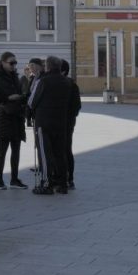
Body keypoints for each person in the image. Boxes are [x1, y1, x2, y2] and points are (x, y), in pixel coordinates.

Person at [28, 57, 77, 195]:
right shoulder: (67, 82)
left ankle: (46, 184)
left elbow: (31, 102)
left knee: (45, 153)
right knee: (60, 153)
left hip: (43, 122)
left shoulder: (43, 81)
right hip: (61, 122)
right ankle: (63, 183)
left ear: (47, 67)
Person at [0, 52, 27, 190]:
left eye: (15, 63)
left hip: (16, 115)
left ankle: (14, 179)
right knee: (3, 149)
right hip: (3, 115)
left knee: (16, 149)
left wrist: (22, 98)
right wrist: (7, 98)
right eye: (11, 63)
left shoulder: (14, 76)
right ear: (3, 63)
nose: (14, 65)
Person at [60, 58, 80, 189]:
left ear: (63, 71)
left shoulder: (68, 85)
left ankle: (67, 178)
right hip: (68, 122)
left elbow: (76, 106)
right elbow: (77, 107)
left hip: (64, 122)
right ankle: (69, 178)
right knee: (67, 149)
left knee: (64, 150)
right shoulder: (73, 84)